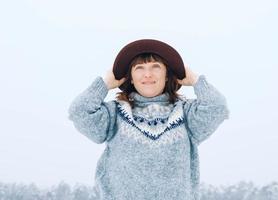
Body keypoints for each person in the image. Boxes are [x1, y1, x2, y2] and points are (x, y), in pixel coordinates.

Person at [68, 39, 230, 200]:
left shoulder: (186, 114)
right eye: (139, 68)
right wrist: (103, 84)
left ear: (167, 75)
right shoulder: (114, 113)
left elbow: (217, 107)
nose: (147, 74)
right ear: (130, 77)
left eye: (156, 67)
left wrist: (195, 79)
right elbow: (79, 111)